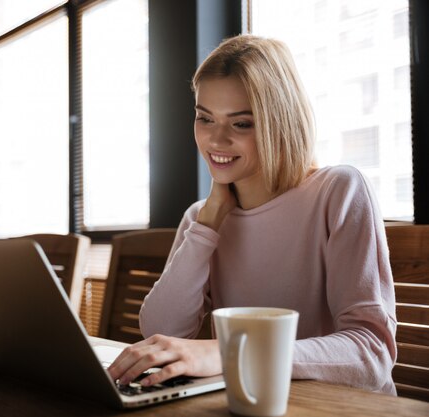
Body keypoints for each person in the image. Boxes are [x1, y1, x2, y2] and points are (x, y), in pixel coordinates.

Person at [107, 34, 397, 395]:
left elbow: (372, 352)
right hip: (248, 403)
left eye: (241, 123)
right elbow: (162, 329)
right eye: (205, 118)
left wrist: (231, 354)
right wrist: (209, 222)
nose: (216, 140)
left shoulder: (339, 191)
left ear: (280, 122)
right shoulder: (202, 218)